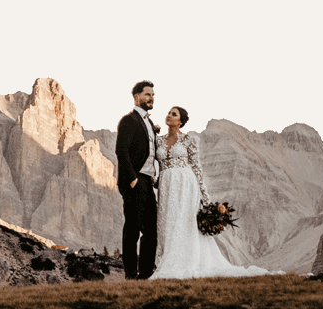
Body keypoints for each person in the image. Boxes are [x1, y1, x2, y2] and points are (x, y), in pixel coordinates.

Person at [151, 106, 268, 279]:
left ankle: (184, 261)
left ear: (180, 122)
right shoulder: (158, 141)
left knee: (184, 222)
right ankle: (166, 259)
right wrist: (155, 181)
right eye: (169, 113)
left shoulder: (189, 140)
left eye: (173, 114)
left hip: (186, 185)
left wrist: (203, 194)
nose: (169, 116)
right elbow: (159, 166)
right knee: (167, 222)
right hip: (167, 187)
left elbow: (196, 167)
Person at [114, 80, 160, 279]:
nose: (151, 98)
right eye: (148, 94)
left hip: (148, 183)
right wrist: (132, 179)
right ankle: (131, 275)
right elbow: (121, 150)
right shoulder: (129, 120)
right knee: (132, 230)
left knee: (151, 231)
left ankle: (146, 274)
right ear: (136, 97)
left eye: (153, 95)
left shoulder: (149, 123)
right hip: (135, 182)